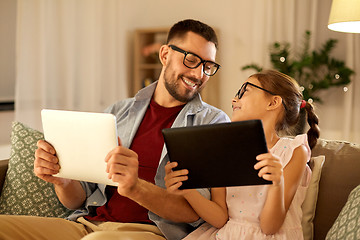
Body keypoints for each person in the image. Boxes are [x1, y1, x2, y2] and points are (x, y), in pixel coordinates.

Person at [0, 19, 230, 240]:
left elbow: (193, 214)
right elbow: (78, 200)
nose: (198, 74)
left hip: (147, 233)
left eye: (208, 66)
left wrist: (135, 187)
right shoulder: (118, 112)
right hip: (85, 225)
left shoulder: (211, 123)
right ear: (165, 55)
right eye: (191, 60)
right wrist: (63, 180)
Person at [165, 69, 320, 239]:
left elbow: (269, 227)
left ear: (273, 102)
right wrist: (187, 190)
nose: (233, 99)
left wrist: (277, 183)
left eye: (244, 92)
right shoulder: (224, 151)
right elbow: (220, 218)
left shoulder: (294, 151)